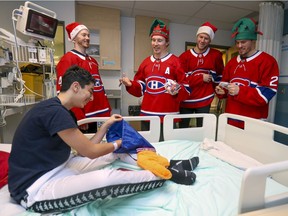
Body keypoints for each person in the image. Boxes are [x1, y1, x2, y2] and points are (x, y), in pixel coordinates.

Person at [8, 66, 198, 214]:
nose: (91, 97)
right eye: (90, 91)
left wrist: (106, 126)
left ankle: (164, 163)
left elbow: (84, 149)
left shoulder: (61, 111)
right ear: (75, 86)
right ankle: (166, 174)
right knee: (107, 178)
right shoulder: (54, 112)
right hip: (35, 188)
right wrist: (119, 142)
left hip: (60, 167)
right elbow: (90, 152)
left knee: (115, 154)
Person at [120, 19, 190, 141]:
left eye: (159, 40)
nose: (155, 44)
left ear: (167, 43)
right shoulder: (146, 62)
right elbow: (140, 89)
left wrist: (177, 89)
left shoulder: (176, 62)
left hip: (168, 116)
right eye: (153, 40)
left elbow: (187, 89)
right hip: (147, 115)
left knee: (167, 148)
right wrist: (130, 84)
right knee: (148, 148)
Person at [215, 18, 279, 128]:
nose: (239, 46)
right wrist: (222, 92)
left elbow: (267, 93)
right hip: (231, 117)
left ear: (253, 41)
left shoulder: (268, 61)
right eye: (237, 42)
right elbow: (226, 85)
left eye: (243, 42)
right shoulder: (231, 63)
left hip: (254, 121)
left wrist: (240, 91)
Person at [56, 22, 111, 133]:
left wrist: (108, 109)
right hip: (85, 116)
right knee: (87, 148)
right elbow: (64, 92)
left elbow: (99, 87)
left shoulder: (93, 61)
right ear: (74, 38)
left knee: (101, 144)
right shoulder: (68, 59)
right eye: (83, 35)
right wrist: (78, 116)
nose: (87, 38)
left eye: (88, 35)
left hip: (100, 114)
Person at [179, 22, 224, 128]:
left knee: (203, 130)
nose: (202, 40)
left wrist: (220, 90)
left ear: (210, 40)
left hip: (205, 99)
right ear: (197, 36)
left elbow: (220, 75)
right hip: (186, 100)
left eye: (206, 38)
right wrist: (200, 78)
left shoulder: (216, 55)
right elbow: (182, 80)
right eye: (201, 37)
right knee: (182, 129)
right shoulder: (184, 57)